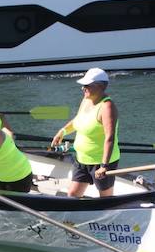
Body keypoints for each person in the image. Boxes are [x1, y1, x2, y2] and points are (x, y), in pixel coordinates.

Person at [49, 67, 120, 198]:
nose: (83, 88)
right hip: (81, 159)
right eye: (83, 85)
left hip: (100, 162)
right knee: (72, 194)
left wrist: (104, 166)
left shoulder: (107, 107)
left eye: (87, 85)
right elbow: (78, 120)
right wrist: (62, 131)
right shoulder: (86, 100)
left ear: (100, 86)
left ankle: (108, 213)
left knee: (106, 198)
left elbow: (109, 138)